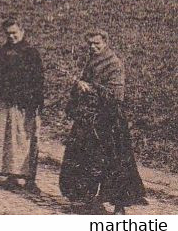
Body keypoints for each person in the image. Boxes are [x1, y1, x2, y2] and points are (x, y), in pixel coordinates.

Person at [59, 29, 147, 214]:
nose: (93, 47)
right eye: (90, 43)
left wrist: (89, 88)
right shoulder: (91, 60)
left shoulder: (114, 64)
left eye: (97, 43)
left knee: (112, 162)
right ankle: (86, 200)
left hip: (109, 120)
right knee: (83, 159)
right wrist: (79, 86)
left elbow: (115, 95)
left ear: (106, 42)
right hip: (89, 119)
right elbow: (83, 85)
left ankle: (118, 204)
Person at [0, 17, 43, 190]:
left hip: (25, 104)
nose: (11, 37)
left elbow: (38, 80)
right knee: (8, 139)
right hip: (6, 103)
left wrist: (35, 103)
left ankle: (30, 179)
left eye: (14, 33)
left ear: (22, 31)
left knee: (27, 139)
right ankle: (11, 176)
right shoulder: (0, 53)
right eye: (8, 34)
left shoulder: (31, 53)